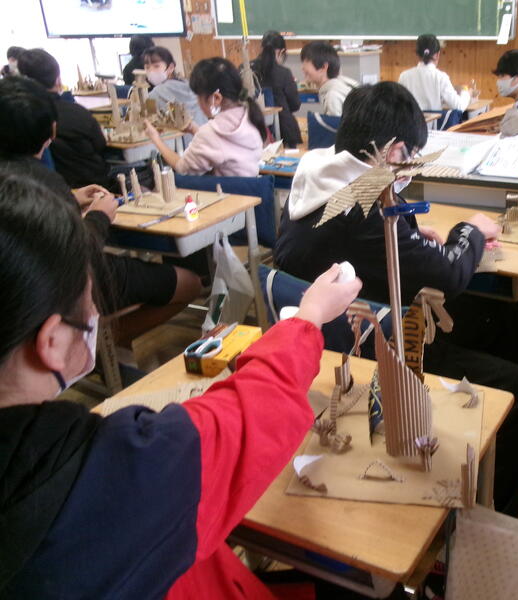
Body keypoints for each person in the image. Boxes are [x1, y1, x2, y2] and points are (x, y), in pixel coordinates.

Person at [0, 171, 363, 598]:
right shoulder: (116, 474)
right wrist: (309, 318)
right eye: (90, 299)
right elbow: (250, 414)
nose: (95, 314)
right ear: (51, 342)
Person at [274, 81, 518, 517]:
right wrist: (471, 229)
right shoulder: (366, 205)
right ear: (396, 150)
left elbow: (362, 242)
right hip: (382, 349)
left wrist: (410, 236)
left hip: (334, 331)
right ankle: (490, 514)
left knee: (494, 316)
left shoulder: (318, 175)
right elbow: (450, 274)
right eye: (410, 157)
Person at [0, 76, 201, 318]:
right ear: (52, 129)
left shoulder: (20, 178)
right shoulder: (40, 181)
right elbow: (73, 252)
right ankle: (107, 338)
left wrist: (72, 198)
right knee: (192, 284)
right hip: (65, 278)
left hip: (26, 285)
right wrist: (99, 216)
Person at [146, 57, 267, 177]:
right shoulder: (249, 116)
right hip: (251, 186)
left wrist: (156, 139)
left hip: (226, 189)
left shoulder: (211, 132)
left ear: (216, 98)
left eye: (198, 97)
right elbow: (220, 144)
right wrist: (194, 130)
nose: (198, 102)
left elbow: (182, 167)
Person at [16, 48, 110, 188]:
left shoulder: (20, 118)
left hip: (52, 188)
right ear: (58, 80)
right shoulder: (77, 113)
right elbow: (101, 146)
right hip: (93, 185)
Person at [252, 30, 303, 147]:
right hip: (284, 132)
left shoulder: (246, 68)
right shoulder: (284, 73)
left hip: (253, 130)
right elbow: (295, 105)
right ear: (281, 52)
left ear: (261, 48)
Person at [398, 34, 473, 112]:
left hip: (410, 120)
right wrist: (466, 94)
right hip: (433, 120)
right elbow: (459, 106)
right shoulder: (441, 77)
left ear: (417, 54)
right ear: (437, 55)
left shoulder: (404, 76)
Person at [143, 46, 207, 129]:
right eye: (147, 67)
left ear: (171, 68)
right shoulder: (190, 85)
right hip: (204, 133)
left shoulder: (155, 94)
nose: (151, 71)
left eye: (156, 66)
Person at [300, 41, 357, 117]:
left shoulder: (333, 96)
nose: (302, 68)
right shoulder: (344, 84)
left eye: (306, 62)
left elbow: (335, 124)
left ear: (323, 67)